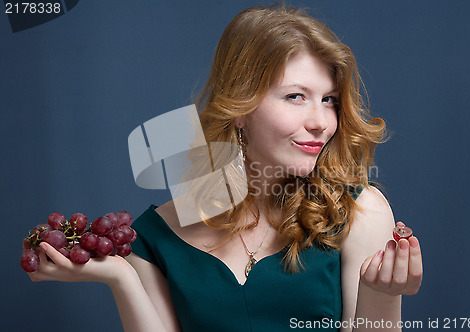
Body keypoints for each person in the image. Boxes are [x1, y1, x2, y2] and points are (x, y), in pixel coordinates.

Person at [27, 5, 423, 332]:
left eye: (330, 100)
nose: (321, 121)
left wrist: (383, 294)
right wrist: (122, 280)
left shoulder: (359, 211)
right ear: (240, 109)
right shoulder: (155, 238)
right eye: (296, 96)